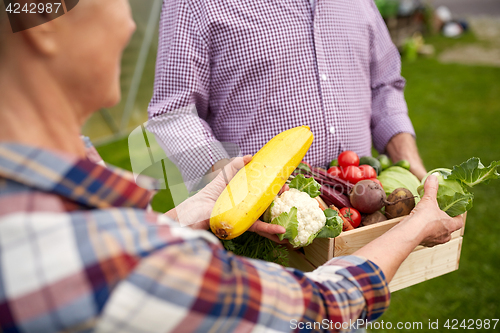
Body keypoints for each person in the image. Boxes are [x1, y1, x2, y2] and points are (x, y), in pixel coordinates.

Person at [0, 1, 463, 332]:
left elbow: (386, 82)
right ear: (43, 19)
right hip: (267, 253)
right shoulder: (110, 256)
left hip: (357, 224)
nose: (127, 22)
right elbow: (320, 310)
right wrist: (416, 226)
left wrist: (180, 219)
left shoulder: (64, 207)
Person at [147, 0, 428, 191]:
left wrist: (407, 159)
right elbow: (174, 112)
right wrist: (232, 184)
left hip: (363, 211)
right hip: (262, 235)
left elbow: (384, 83)